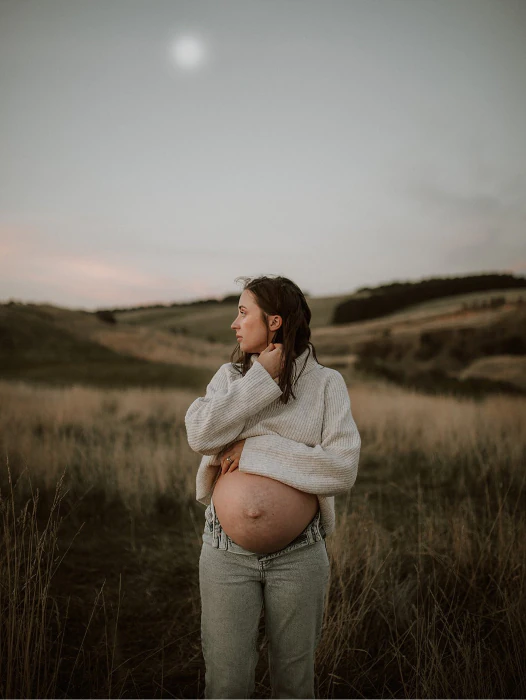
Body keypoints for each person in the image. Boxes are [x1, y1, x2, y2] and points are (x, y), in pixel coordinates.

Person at [185, 275, 361, 699]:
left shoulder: (326, 385)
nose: (235, 323)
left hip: (299, 555)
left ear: (276, 322)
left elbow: (342, 469)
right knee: (226, 685)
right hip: (225, 554)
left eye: (244, 313)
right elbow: (200, 435)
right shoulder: (229, 378)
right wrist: (259, 380)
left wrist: (255, 452)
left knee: (295, 687)